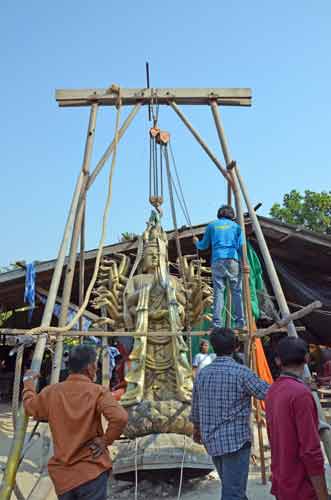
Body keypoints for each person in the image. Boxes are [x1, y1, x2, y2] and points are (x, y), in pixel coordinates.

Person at [22, 344, 128, 500]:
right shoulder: (97, 391)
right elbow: (120, 417)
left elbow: (30, 407)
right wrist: (105, 440)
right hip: (92, 472)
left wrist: (28, 383)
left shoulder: (52, 392)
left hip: (63, 478)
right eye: (95, 366)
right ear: (91, 367)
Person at [190, 327, 269, 500]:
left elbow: (195, 406)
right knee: (233, 492)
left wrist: (197, 430)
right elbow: (268, 393)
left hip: (212, 441)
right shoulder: (242, 373)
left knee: (232, 487)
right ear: (236, 347)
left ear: (212, 347)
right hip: (236, 442)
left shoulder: (203, 374)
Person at [265, 337, 328, 500]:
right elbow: (310, 450)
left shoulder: (273, 391)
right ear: (307, 358)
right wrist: (322, 495)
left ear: (278, 361)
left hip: (283, 482)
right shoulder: (301, 395)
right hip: (301, 489)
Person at [193, 205, 245, 330]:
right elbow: (241, 246)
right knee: (237, 292)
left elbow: (203, 245)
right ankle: (240, 322)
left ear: (219, 214)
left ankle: (217, 324)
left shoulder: (212, 226)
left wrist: (196, 242)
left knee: (219, 293)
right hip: (233, 259)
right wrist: (245, 263)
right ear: (232, 215)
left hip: (217, 260)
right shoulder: (237, 227)